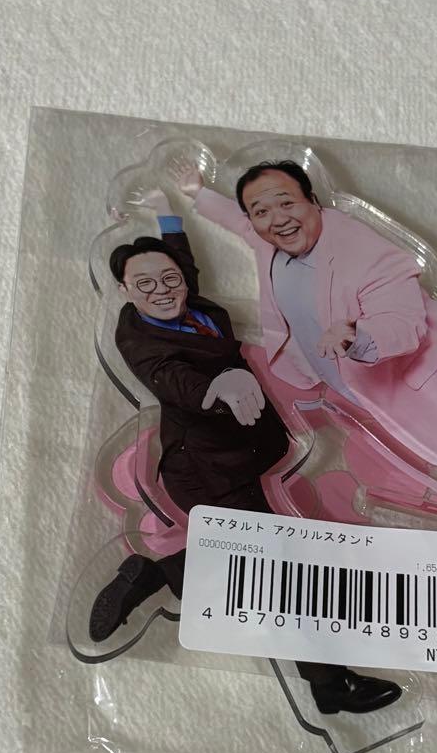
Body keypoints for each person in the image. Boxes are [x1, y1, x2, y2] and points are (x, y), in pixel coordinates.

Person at [175, 159, 437, 642]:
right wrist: (197, 192)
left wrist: (357, 336)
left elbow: (402, 323)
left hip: (435, 391)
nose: (275, 218)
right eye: (261, 211)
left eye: (285, 203)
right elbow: (239, 222)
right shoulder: (271, 241)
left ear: (312, 200)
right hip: (406, 393)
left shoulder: (362, 253)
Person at [88, 194, 401, 715]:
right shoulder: (140, 338)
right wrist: (219, 385)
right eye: (144, 284)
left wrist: (167, 210)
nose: (162, 290)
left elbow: (180, 264)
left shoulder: (189, 303)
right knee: (279, 575)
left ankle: (157, 574)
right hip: (204, 468)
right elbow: (171, 377)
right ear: (123, 289)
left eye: (169, 279)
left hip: (237, 456)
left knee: (256, 567)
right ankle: (329, 684)